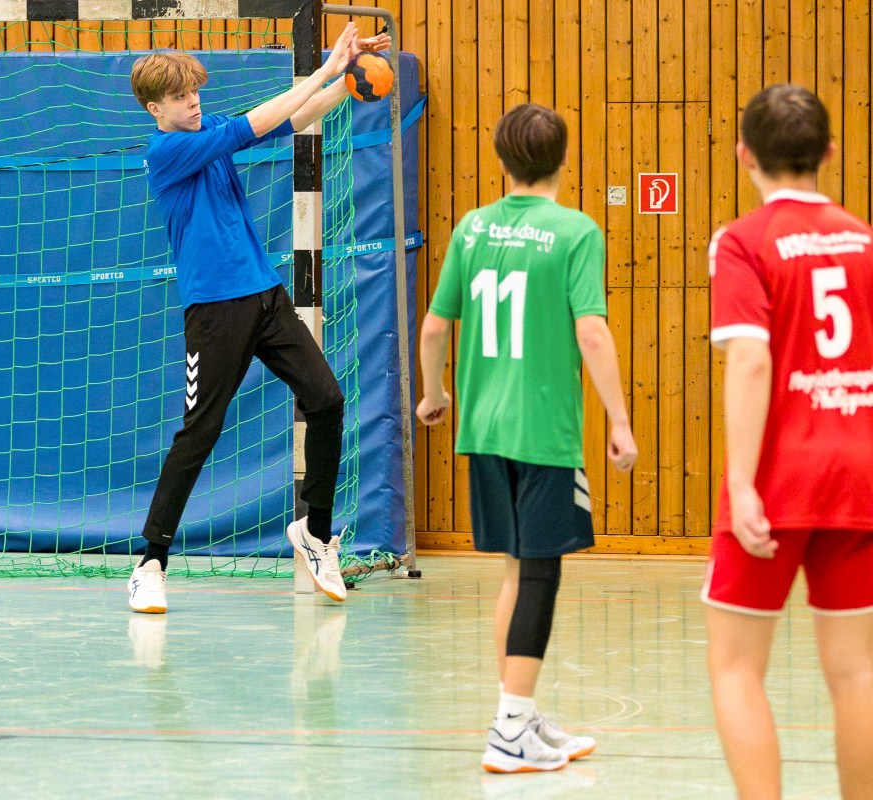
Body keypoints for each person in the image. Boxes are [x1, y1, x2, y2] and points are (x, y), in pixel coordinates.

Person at [125, 24, 391, 614]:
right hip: (214, 310)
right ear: (155, 109)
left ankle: (315, 533)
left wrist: (347, 79)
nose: (194, 102)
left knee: (326, 400)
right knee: (199, 433)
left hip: (266, 296)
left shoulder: (206, 132)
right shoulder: (166, 152)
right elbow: (256, 123)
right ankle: (150, 563)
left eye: (196, 92)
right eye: (181, 98)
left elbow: (292, 118)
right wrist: (325, 69)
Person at [415, 103, 637, 773]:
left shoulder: (472, 227)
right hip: (543, 432)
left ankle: (518, 714)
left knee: (516, 570)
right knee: (540, 571)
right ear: (564, 160)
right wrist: (620, 421)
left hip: (482, 429)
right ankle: (511, 731)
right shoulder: (576, 231)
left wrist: (433, 394)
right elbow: (591, 330)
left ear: (501, 160)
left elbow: (434, 326)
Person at [704, 84, 873, 800]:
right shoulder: (865, 241)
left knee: (737, 667)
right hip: (858, 473)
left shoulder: (743, 241)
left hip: (780, 475)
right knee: (857, 672)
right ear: (829, 153)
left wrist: (744, 484)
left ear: (744, 154)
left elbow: (750, 358)